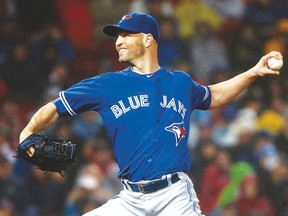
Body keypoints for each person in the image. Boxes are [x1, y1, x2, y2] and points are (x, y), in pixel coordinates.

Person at [18, 12, 283, 216]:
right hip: (130, 199)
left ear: (147, 39)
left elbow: (214, 96)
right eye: (117, 36)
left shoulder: (180, 82)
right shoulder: (106, 85)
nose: (118, 41)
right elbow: (55, 108)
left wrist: (252, 73)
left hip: (174, 196)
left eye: (125, 35)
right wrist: (28, 131)